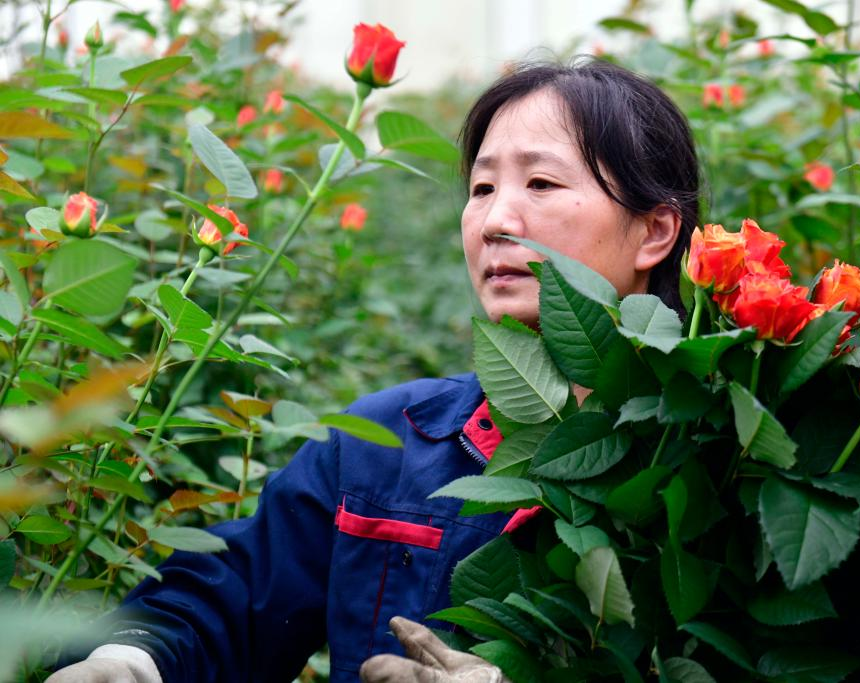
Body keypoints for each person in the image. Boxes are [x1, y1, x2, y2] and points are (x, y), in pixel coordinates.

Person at [47, 58, 700, 682]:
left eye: (542, 183)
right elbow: (239, 596)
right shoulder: (383, 444)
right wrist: (135, 660)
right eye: (481, 187)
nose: (496, 220)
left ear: (655, 231)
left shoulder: (711, 462)